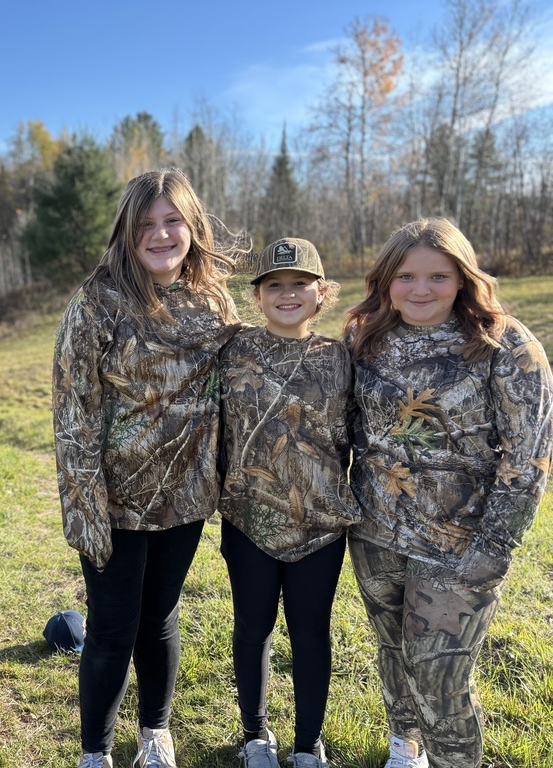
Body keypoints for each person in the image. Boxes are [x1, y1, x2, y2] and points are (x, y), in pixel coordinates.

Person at [343, 218, 553, 768]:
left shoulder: (506, 345)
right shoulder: (364, 338)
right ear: (386, 280)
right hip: (374, 534)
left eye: (438, 276)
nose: (421, 289)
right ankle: (405, 749)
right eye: (406, 276)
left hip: (460, 546)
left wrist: (493, 548)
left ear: (463, 279)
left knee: (440, 678)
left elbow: (528, 457)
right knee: (394, 653)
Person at [52, 168, 241, 768]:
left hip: (185, 497)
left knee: (159, 617)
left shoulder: (213, 301)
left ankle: (155, 736)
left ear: (193, 226)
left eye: (172, 221)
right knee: (112, 626)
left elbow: (236, 391)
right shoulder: (98, 301)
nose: (160, 235)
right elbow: (73, 411)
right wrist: (85, 505)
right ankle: (95, 753)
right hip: (114, 501)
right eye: (146, 224)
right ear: (126, 232)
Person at [217, 238, 361, 768]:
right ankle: (255, 737)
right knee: (252, 626)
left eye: (300, 283)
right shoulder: (233, 351)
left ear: (321, 293)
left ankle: (306, 745)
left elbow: (357, 435)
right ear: (257, 296)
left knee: (310, 632)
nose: (287, 293)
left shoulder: (339, 358)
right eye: (274, 285)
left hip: (319, 525)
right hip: (249, 518)